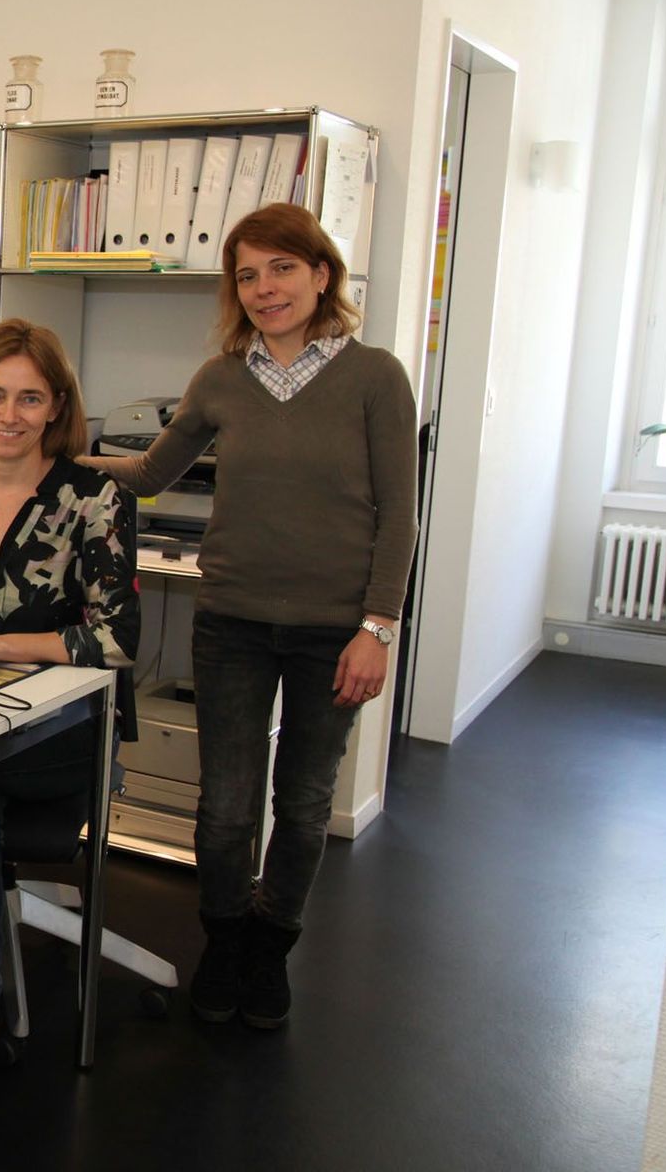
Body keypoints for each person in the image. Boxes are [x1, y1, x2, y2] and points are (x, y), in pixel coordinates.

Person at [80, 202, 416, 1031]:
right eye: (247, 275)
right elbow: (154, 471)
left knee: (302, 805)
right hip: (230, 617)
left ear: (321, 274)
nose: (265, 289)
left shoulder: (375, 377)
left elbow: (399, 514)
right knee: (227, 805)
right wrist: (48, 455)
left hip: (333, 632)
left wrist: (378, 628)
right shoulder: (223, 379)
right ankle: (225, 940)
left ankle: (271, 952)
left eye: (282, 269)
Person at [0, 319, 140, 1090]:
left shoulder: (94, 497)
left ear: (56, 408)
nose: (7, 414)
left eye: (29, 397)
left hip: (65, 728)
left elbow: (112, 640)